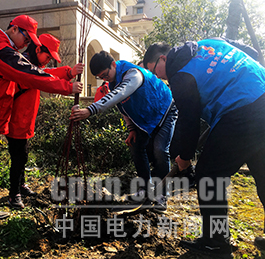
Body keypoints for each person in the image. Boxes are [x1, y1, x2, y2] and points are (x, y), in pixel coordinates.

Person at [143, 38, 265, 258]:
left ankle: (216, 241)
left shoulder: (180, 74)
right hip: (261, 93)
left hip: (240, 109)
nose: (159, 77)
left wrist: (185, 157)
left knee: (209, 174)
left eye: (154, 71)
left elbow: (189, 120)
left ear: (163, 58)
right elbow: (251, 53)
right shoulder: (209, 42)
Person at [0, 15, 83, 220]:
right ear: (14, 29)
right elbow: (30, 74)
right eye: (27, 38)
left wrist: (66, 76)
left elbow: (38, 71)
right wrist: (66, 87)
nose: (27, 43)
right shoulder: (2, 52)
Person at [70, 50, 177, 211]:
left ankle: (161, 194)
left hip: (165, 109)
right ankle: (145, 188)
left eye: (105, 74)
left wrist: (90, 110)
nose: (104, 79)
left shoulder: (133, 74)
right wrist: (132, 129)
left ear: (113, 64)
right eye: (101, 77)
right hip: (145, 118)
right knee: (135, 146)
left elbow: (119, 95)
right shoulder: (113, 80)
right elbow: (124, 106)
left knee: (160, 150)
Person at [3, 33, 84, 209]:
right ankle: (14, 194)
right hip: (16, 120)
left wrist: (69, 72)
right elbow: (43, 78)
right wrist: (69, 86)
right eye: (48, 56)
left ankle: (20, 186)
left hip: (23, 120)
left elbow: (47, 73)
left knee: (21, 156)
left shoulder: (31, 64)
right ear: (38, 49)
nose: (48, 60)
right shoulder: (21, 64)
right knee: (19, 156)